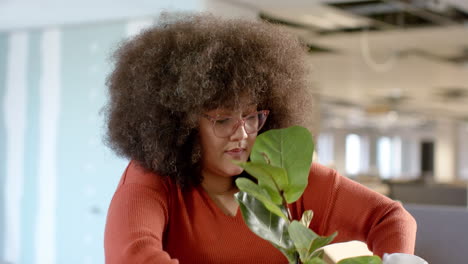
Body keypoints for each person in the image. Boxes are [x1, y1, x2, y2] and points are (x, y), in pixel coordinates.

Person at [103, 13, 416, 264]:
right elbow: (133, 255)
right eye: (223, 119)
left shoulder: (283, 177)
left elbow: (389, 217)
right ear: (179, 123)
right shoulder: (152, 181)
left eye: (251, 116)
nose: (242, 133)